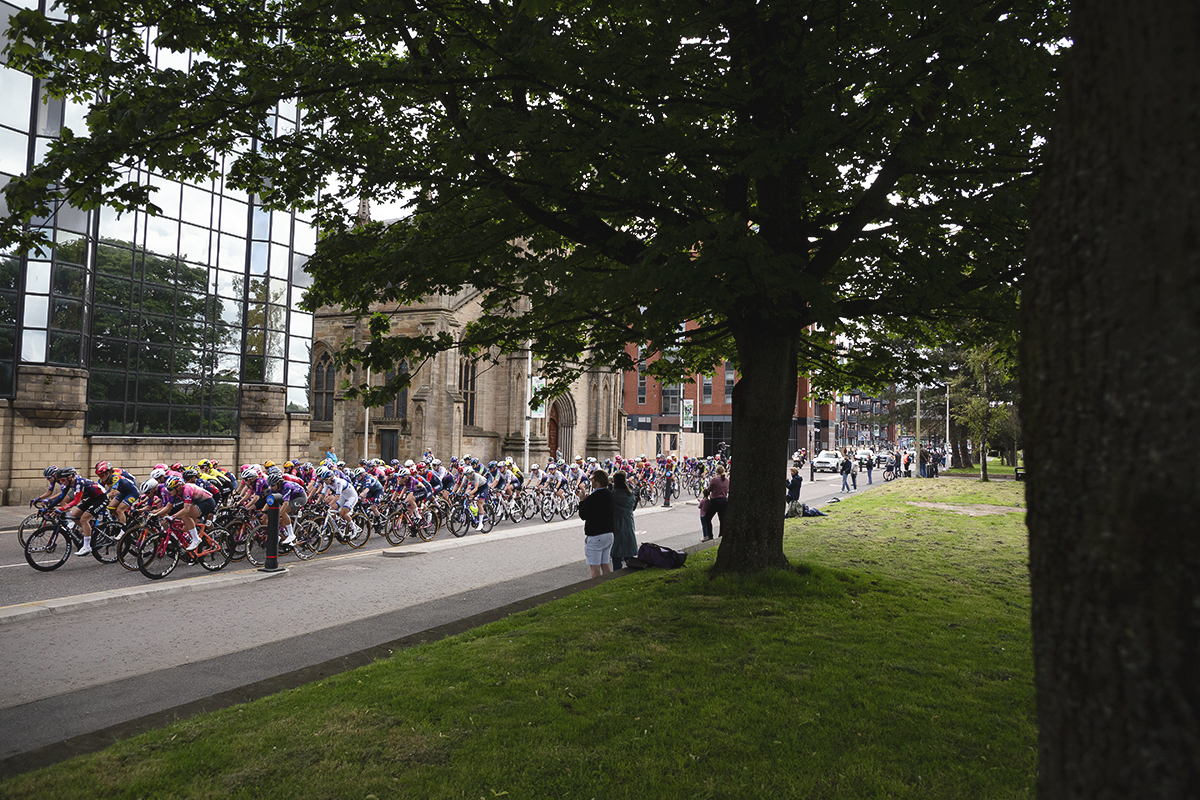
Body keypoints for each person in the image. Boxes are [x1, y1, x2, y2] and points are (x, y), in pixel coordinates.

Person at [577, 469, 614, 578]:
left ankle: (596, 588)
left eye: (592, 479)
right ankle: (609, 586)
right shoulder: (609, 494)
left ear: (597, 481)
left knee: (595, 567)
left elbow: (583, 515)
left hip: (596, 535)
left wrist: (582, 501)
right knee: (605, 564)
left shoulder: (593, 497)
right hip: (608, 533)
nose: (591, 482)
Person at [610, 470, 638, 570]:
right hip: (628, 523)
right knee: (628, 553)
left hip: (615, 524)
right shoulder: (630, 495)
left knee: (616, 555)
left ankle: (616, 573)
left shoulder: (612, 495)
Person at [701, 464, 729, 541]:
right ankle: (721, 535)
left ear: (716, 472)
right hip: (723, 501)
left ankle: (710, 536)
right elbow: (727, 491)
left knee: (707, 518)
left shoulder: (714, 480)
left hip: (715, 501)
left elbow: (709, 490)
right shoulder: (727, 480)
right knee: (722, 519)